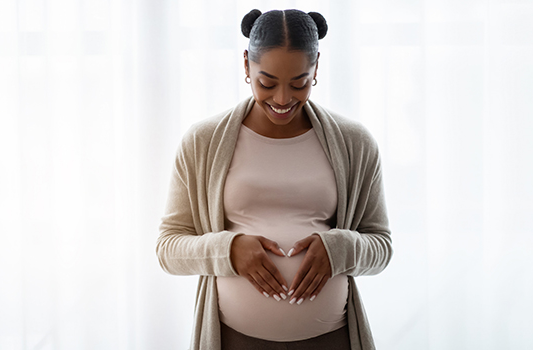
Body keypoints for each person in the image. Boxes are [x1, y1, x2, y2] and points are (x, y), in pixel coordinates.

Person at [156, 8, 392, 350]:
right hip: (235, 340)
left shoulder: (354, 142)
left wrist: (340, 249)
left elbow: (381, 247)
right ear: (246, 66)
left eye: (300, 83)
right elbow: (168, 249)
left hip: (331, 340)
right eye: (267, 83)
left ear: (317, 69)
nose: (283, 99)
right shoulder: (203, 142)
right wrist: (229, 250)